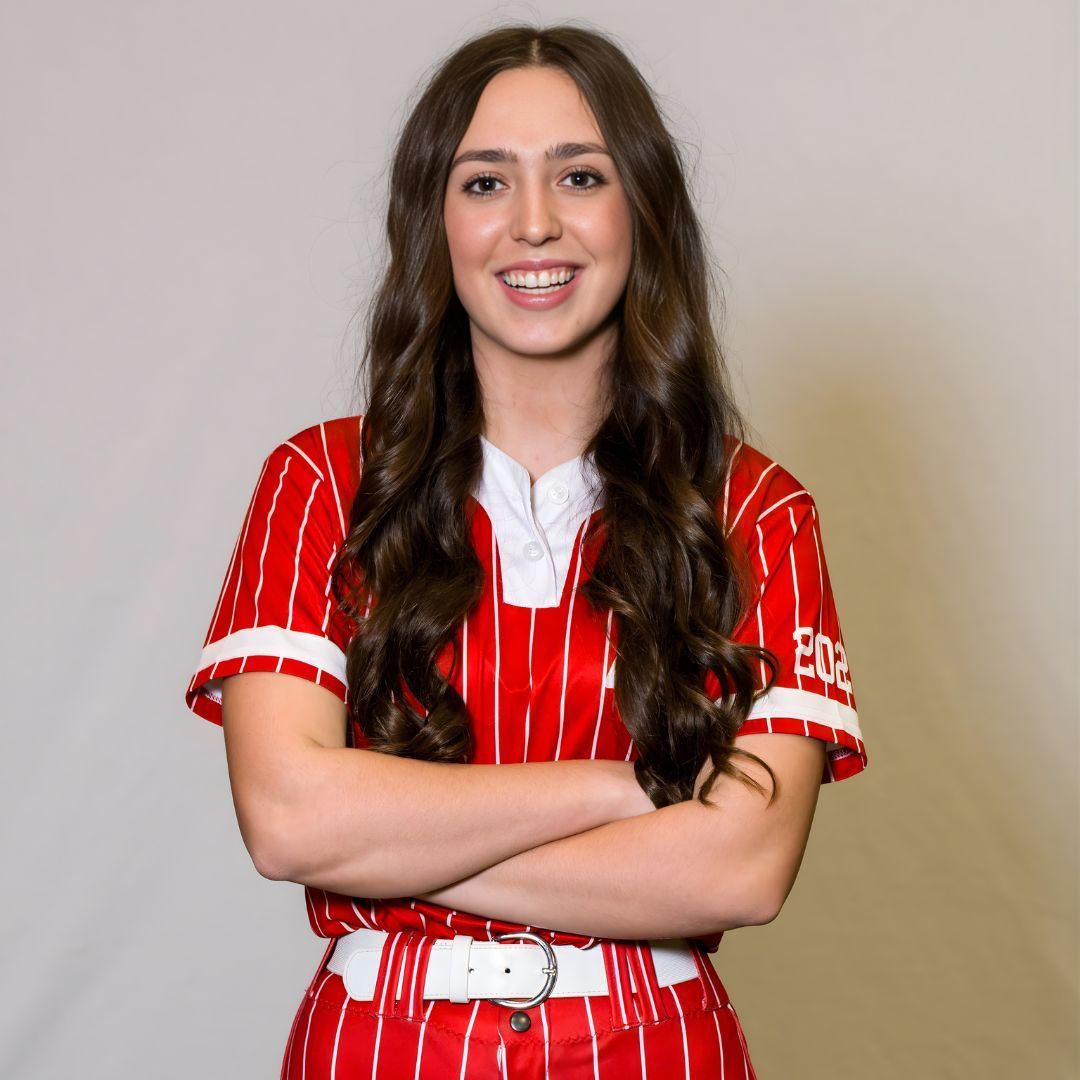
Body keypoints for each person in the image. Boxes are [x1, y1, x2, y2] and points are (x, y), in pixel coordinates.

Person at [183, 21, 867, 1078]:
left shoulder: (758, 509)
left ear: (641, 210)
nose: (535, 225)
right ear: (434, 220)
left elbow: (741, 868)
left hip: (654, 1044)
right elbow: (287, 819)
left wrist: (383, 844)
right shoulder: (319, 482)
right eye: (486, 183)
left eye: (580, 176)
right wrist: (629, 788)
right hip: (383, 1044)